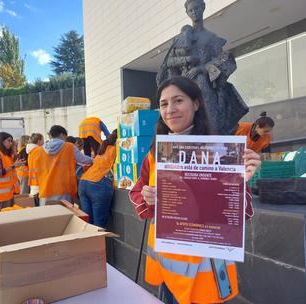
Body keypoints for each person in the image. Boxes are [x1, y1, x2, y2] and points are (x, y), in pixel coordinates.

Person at [129, 77, 261, 304]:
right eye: (163, 104)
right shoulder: (155, 153)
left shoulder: (222, 152)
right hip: (167, 269)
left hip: (205, 273)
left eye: (178, 100)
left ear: (196, 104)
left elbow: (243, 212)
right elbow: (137, 191)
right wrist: (146, 197)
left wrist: (242, 180)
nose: (170, 110)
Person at [156, 0, 248, 135]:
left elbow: (222, 59)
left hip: (204, 84)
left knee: (210, 118)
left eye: (197, 8)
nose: (194, 12)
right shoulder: (182, 37)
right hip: (185, 84)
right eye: (191, 10)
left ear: (203, 8)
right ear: (187, 12)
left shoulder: (211, 38)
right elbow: (169, 62)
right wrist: (186, 60)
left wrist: (200, 69)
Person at [28, 125, 93, 206]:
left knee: (48, 217)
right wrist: (94, 160)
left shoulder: (39, 150)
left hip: (45, 189)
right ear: (62, 135)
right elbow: (84, 160)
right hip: (63, 189)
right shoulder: (69, 147)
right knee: (64, 215)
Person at [78, 129, 117, 228]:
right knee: (99, 224)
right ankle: (97, 243)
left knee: (87, 222)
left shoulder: (103, 148)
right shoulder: (118, 148)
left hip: (84, 182)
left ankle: (89, 243)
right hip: (98, 183)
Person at [0, 132, 25, 208]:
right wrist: (13, 166)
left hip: (7, 193)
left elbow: (16, 159)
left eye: (11, 141)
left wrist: (13, 148)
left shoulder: (6, 154)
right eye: (9, 141)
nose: (11, 143)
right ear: (2, 141)